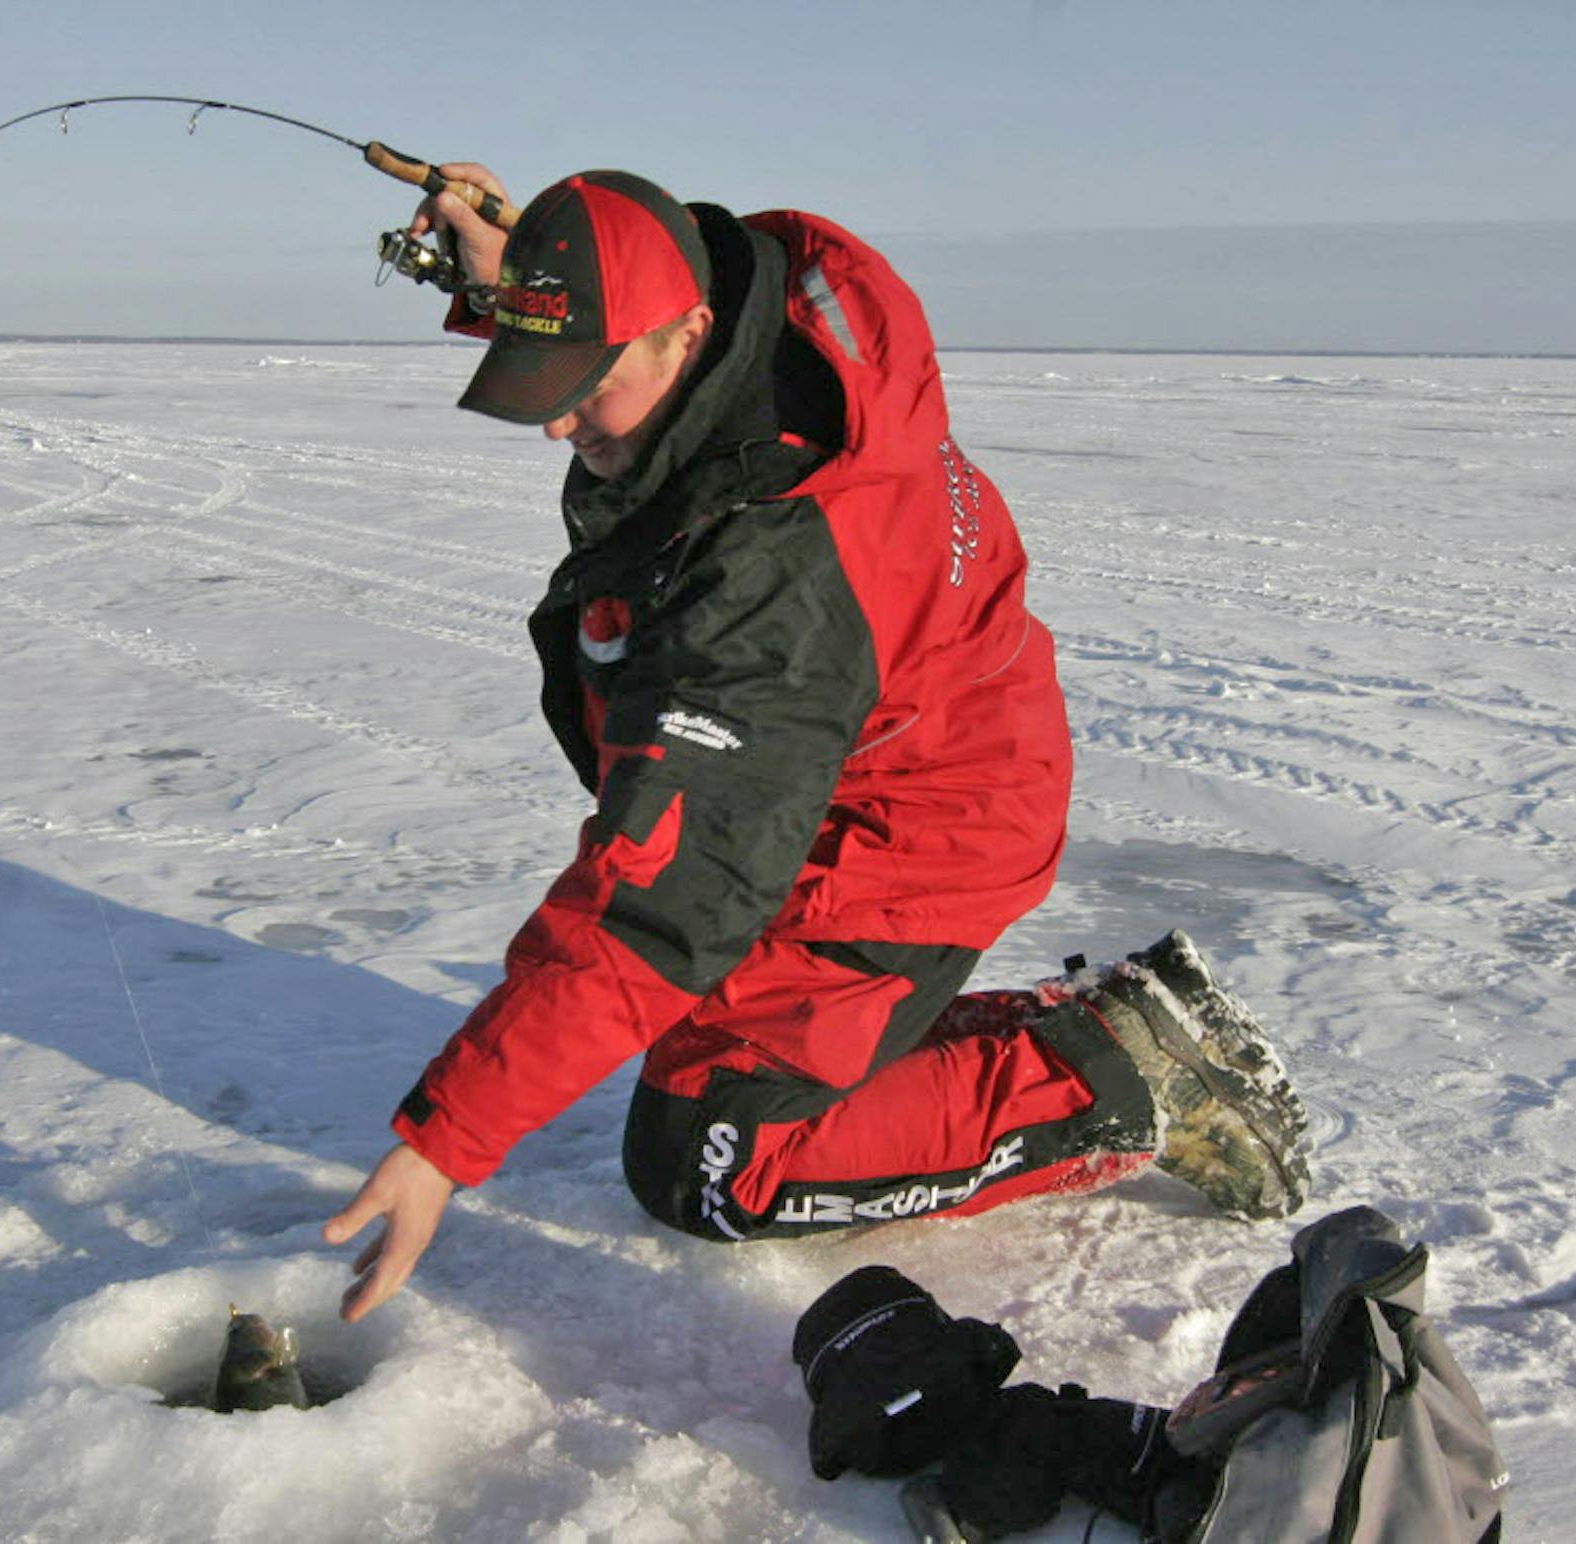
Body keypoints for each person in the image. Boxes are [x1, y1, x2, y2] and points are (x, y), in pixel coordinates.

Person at [323, 167, 1310, 1321]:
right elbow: (636, 270)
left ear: (688, 333)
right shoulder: (769, 325)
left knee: (712, 1152)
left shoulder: (771, 579)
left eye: (585, 383)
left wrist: (449, 1137)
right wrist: (523, 275)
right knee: (695, 1027)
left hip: (918, 829)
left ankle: (1118, 1076)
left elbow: (669, 897)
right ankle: (1101, 1031)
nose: (555, 420)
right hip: (885, 753)